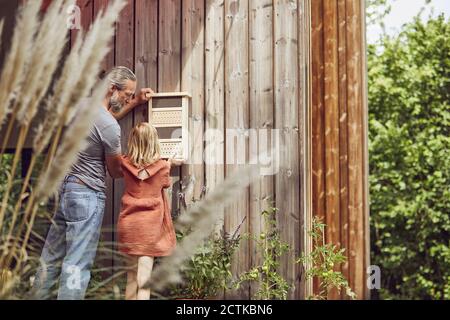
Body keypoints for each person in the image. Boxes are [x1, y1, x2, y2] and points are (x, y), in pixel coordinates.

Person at [32, 66, 154, 300]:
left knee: (50, 258)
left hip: (65, 190)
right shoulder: (110, 127)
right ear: (112, 89)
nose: (128, 98)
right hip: (87, 195)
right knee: (77, 263)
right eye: (127, 94)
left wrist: (136, 102)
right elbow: (115, 170)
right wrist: (132, 162)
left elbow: (102, 123)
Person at [118, 123, 182, 300]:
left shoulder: (124, 163)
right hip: (149, 227)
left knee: (131, 277)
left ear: (133, 142)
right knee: (144, 280)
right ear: (154, 142)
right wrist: (169, 163)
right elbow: (164, 181)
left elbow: (138, 172)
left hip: (129, 225)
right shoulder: (162, 167)